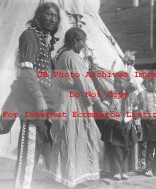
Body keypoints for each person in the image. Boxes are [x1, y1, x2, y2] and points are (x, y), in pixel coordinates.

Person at [6, 3, 61, 189]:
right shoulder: (30, 35)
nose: (52, 18)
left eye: (55, 15)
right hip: (32, 104)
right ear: (39, 15)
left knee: (37, 152)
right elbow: (27, 70)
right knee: (28, 154)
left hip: (43, 105)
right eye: (48, 14)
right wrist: (39, 98)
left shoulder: (43, 39)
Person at [48, 27, 108, 188]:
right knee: (75, 136)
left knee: (67, 137)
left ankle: (64, 175)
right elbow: (84, 82)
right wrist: (97, 102)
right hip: (75, 101)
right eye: (82, 41)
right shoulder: (73, 57)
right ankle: (75, 176)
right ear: (75, 41)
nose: (84, 45)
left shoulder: (61, 55)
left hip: (64, 99)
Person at [100, 73, 141, 181]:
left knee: (126, 148)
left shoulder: (132, 96)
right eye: (115, 81)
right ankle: (116, 171)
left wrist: (137, 125)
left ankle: (124, 171)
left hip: (127, 126)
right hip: (115, 124)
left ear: (127, 83)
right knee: (116, 149)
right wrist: (104, 107)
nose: (116, 83)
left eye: (120, 81)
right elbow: (105, 105)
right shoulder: (111, 94)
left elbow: (136, 112)